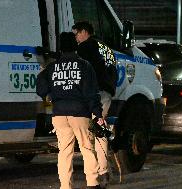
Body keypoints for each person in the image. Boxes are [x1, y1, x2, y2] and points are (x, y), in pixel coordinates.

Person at [36, 32, 106, 189]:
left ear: (61, 48)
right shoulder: (84, 65)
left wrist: (48, 95)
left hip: (59, 114)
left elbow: (40, 83)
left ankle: (66, 186)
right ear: (75, 46)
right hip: (80, 113)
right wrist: (98, 114)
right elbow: (91, 93)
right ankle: (93, 183)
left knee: (64, 152)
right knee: (87, 149)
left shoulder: (52, 67)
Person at [72, 21, 117, 188]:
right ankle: (104, 170)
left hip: (94, 94)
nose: (75, 38)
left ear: (84, 32)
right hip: (106, 93)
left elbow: (80, 70)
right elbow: (112, 70)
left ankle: (98, 173)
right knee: (100, 129)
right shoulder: (106, 48)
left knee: (91, 134)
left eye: (76, 33)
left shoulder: (85, 47)